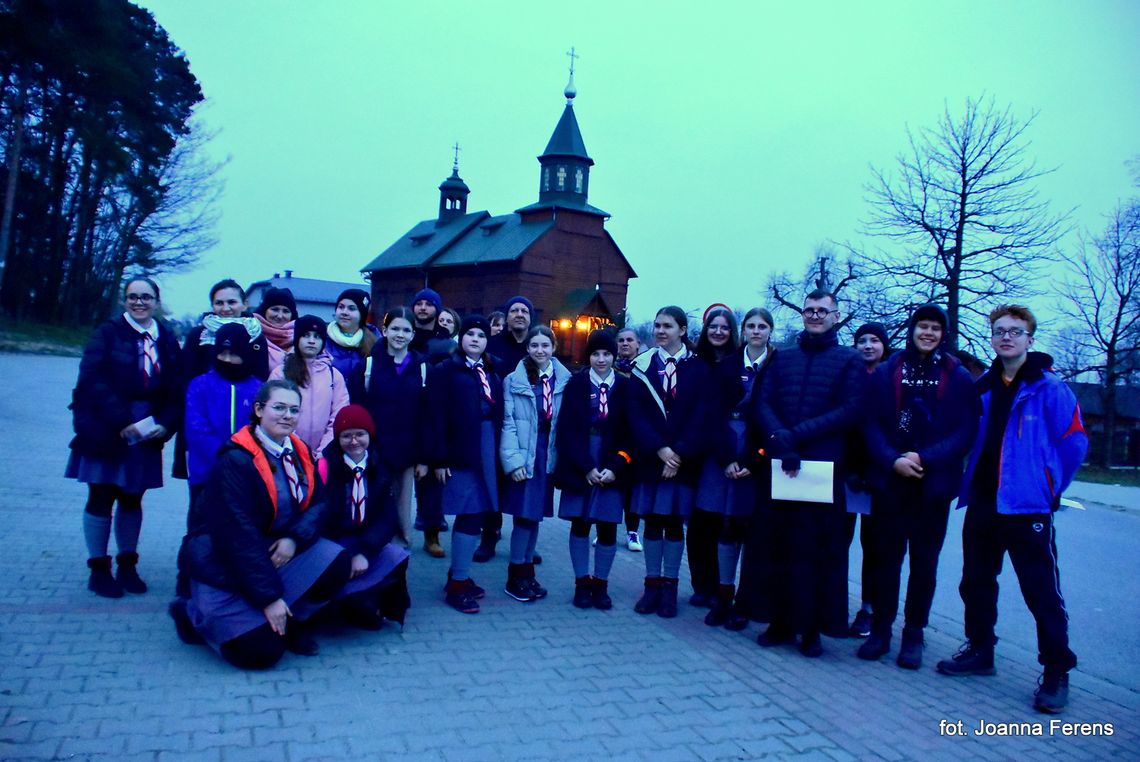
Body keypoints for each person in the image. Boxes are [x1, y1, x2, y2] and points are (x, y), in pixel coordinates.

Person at [937, 305, 1087, 714]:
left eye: (1016, 331)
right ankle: (980, 650)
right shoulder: (984, 387)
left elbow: (1074, 442)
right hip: (984, 501)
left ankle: (1057, 669)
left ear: (1029, 339)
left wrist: (1050, 486)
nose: (1007, 337)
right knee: (976, 581)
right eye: (1000, 331)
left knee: (1041, 591)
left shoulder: (1049, 388)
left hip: (1027, 507)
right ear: (992, 338)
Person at [172, 380, 352, 668]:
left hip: (271, 549)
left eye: (294, 410)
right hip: (225, 560)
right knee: (260, 653)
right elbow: (237, 535)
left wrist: (294, 538)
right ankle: (190, 613)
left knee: (339, 562)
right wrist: (269, 598)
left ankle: (294, 620)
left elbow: (321, 502)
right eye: (279, 407)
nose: (287, 415)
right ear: (258, 410)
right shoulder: (236, 460)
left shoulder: (298, 449)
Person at [856, 305, 979, 669]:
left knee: (924, 564)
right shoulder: (889, 370)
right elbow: (871, 423)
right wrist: (893, 459)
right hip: (891, 480)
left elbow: (965, 430)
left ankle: (914, 634)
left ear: (943, 334)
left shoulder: (956, 376)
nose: (927, 333)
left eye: (935, 328)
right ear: (911, 330)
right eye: (922, 326)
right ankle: (881, 630)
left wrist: (924, 457)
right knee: (885, 561)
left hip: (933, 485)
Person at [754, 289, 865, 657]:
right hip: (782, 463)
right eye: (809, 310)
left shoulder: (848, 360)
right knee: (778, 546)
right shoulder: (782, 358)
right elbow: (764, 401)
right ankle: (779, 621)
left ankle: (812, 628)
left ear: (835, 316)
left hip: (822, 467)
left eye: (822, 311)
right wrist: (780, 440)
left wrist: (795, 435)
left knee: (817, 551)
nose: (815, 316)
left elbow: (850, 409)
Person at [67, 278, 183, 598]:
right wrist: (121, 420)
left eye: (146, 297)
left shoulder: (166, 337)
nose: (139, 302)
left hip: (147, 431)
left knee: (133, 497)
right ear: (124, 301)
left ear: (156, 301)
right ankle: (99, 568)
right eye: (133, 297)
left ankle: (128, 564)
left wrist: (166, 423)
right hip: (105, 426)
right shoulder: (108, 333)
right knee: (101, 496)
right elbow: (91, 379)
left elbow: (177, 385)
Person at [626, 306, 713, 618]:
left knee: (675, 524)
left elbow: (702, 417)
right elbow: (635, 415)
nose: (661, 331)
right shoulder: (641, 366)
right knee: (653, 521)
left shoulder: (699, 368)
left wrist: (678, 453)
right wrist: (660, 449)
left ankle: (670, 588)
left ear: (682, 330)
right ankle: (651, 586)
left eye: (668, 326)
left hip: (683, 460)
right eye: (657, 325)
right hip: (652, 459)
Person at [699, 307, 775, 629]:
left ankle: (746, 601)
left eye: (762, 326)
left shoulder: (777, 366)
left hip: (757, 455)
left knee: (750, 531)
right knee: (724, 528)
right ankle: (722, 596)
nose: (756, 331)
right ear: (743, 330)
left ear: (770, 331)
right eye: (751, 326)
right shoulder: (727, 366)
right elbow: (712, 415)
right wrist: (727, 458)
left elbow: (776, 415)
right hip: (725, 450)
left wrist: (753, 458)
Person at [425, 315, 504, 613]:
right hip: (460, 451)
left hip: (486, 447)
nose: (475, 339)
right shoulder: (445, 370)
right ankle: (457, 584)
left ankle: (459, 573)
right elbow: (435, 417)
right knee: (469, 512)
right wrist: (439, 457)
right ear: (460, 338)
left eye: (481, 335)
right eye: (470, 334)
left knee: (479, 513)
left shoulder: (492, 369)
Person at [554, 329, 631, 610]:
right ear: (589, 356)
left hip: (611, 462)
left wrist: (616, 466)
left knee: (608, 526)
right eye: (596, 353)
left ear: (614, 356)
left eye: (607, 354)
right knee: (580, 523)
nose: (601, 359)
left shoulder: (624, 386)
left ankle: (601, 583)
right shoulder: (576, 384)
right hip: (582, 461)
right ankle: (582, 583)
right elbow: (567, 430)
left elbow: (629, 432)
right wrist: (586, 466)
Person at [318, 405, 412, 629]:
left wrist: (365, 551)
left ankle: (373, 603)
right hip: (336, 542)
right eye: (346, 436)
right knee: (339, 580)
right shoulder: (325, 467)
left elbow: (387, 517)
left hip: (367, 539)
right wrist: (347, 554)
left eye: (360, 434)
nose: (354, 442)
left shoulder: (380, 466)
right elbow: (321, 519)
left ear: (369, 435)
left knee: (397, 556)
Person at [500, 326, 569, 601]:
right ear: (527, 349)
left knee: (536, 516)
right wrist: (514, 461)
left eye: (545, 345)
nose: (540, 351)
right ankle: (515, 575)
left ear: (553, 347)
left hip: (546, 455)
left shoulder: (564, 379)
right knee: (524, 517)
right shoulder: (514, 380)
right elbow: (508, 422)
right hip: (525, 453)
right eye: (534, 346)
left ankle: (527, 573)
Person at [362, 307, 435, 556]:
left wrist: (424, 458)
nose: (400, 334)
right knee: (376, 502)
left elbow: (428, 416)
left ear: (413, 334)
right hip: (375, 450)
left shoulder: (422, 368)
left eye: (406, 329)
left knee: (403, 508)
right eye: (395, 328)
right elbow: (360, 408)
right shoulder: (370, 365)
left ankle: (399, 552)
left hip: (407, 451)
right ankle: (373, 549)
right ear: (385, 330)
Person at [688, 308, 741, 608]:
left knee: (727, 523)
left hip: (729, 449)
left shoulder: (738, 363)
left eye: (724, 327)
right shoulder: (696, 364)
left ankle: (724, 585)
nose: (718, 332)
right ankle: (702, 583)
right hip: (701, 450)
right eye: (713, 327)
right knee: (702, 522)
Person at [478, 295, 536, 562]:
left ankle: (524, 544)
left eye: (524, 310)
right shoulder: (492, 346)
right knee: (495, 482)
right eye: (514, 310)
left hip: (528, 426)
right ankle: (489, 536)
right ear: (507, 316)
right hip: (498, 422)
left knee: (525, 484)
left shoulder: (537, 346)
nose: (520, 314)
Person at [845, 321, 891, 638]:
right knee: (837, 544)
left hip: (881, 478)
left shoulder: (893, 381)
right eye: (862, 340)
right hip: (846, 476)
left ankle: (870, 610)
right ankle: (831, 605)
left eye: (875, 340)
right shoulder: (846, 378)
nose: (868, 346)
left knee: (876, 549)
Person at [269, 315, 350, 455]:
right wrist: (299, 448)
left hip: (323, 454)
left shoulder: (333, 375)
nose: (312, 341)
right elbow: (274, 412)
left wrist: (324, 450)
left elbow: (339, 415)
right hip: (287, 450)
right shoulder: (281, 373)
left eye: (317, 337)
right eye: (306, 336)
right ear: (297, 339)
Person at [182, 279, 267, 380]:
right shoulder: (199, 335)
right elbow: (186, 373)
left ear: (245, 304)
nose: (226, 308)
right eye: (219, 303)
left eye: (232, 302)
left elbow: (261, 376)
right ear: (212, 306)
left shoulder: (255, 335)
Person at [614, 327, 643, 552]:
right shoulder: (610, 368)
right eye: (621, 340)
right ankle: (608, 529)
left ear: (638, 343)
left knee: (632, 488)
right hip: (616, 435)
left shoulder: (644, 368)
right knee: (614, 485)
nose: (625, 344)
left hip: (638, 437)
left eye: (629, 340)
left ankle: (633, 531)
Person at [325, 288, 379, 392]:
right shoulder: (323, 339)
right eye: (341, 307)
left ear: (362, 314)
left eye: (351, 308)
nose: (345, 312)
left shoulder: (375, 343)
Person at [253, 287, 297, 374]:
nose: (280, 316)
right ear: (264, 311)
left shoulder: (301, 337)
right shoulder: (252, 334)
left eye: (286, 311)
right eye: (275, 309)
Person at [409, 287, 448, 355]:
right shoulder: (404, 334)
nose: (423, 308)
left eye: (429, 304)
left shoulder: (445, 341)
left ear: (437, 309)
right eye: (418, 304)